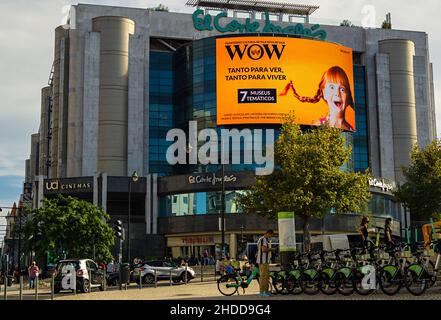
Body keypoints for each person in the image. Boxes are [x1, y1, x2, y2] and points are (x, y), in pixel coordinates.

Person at [280, 66, 355, 132]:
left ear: (348, 96)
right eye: (332, 87)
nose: (337, 93)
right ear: (324, 92)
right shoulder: (317, 126)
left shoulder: (351, 129)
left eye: (342, 89)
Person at [256, 229, 276, 297]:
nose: (271, 236)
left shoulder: (264, 240)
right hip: (263, 261)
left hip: (265, 261)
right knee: (263, 277)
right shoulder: (263, 239)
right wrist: (272, 249)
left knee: (266, 277)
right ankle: (262, 292)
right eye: (271, 235)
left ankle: (266, 291)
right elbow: (263, 250)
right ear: (268, 233)